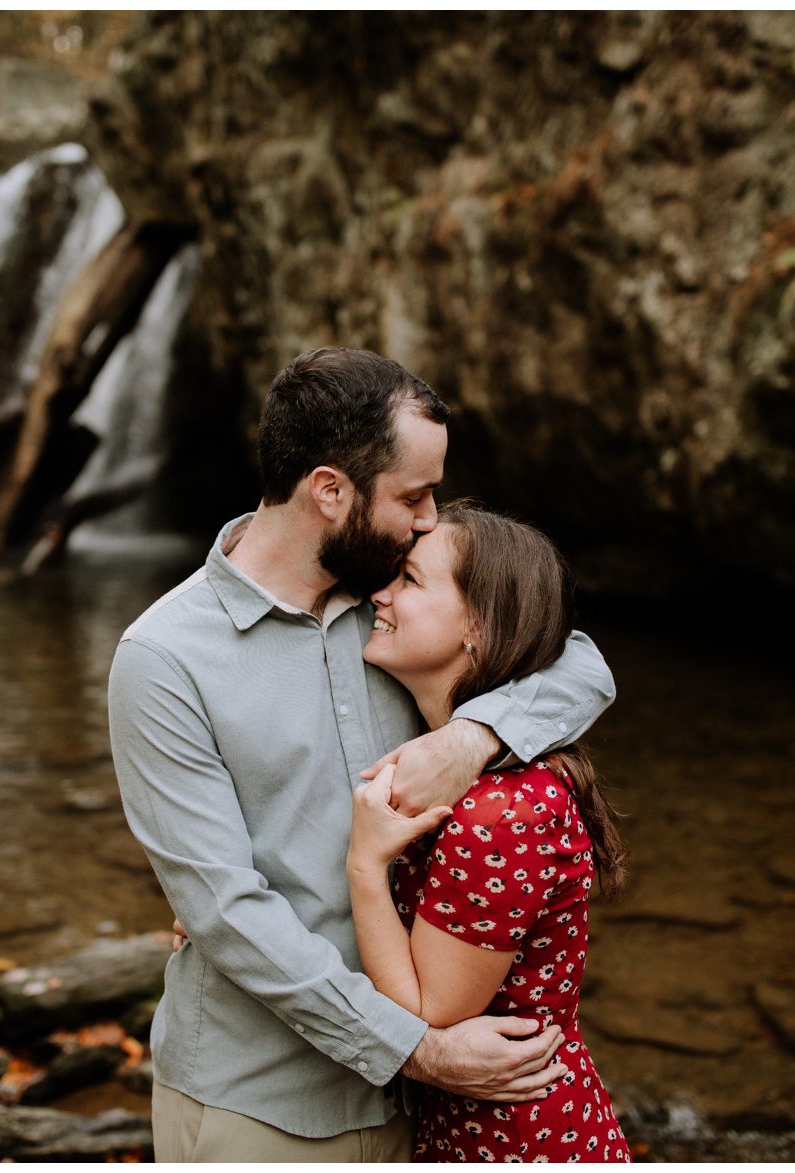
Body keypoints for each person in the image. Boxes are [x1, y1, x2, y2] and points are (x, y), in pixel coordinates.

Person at [109, 347, 617, 1161]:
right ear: (330, 490)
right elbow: (227, 913)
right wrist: (419, 1050)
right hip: (262, 1105)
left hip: (419, 1107)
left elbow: (580, 661)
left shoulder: (394, 604)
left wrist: (472, 738)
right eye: (412, 496)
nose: (429, 519)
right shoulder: (163, 658)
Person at [348, 502, 631, 1162]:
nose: (380, 594)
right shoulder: (476, 773)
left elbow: (428, 1014)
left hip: (519, 1139)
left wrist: (365, 865)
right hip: (479, 1126)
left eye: (410, 580)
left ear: (476, 626)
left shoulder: (500, 810)